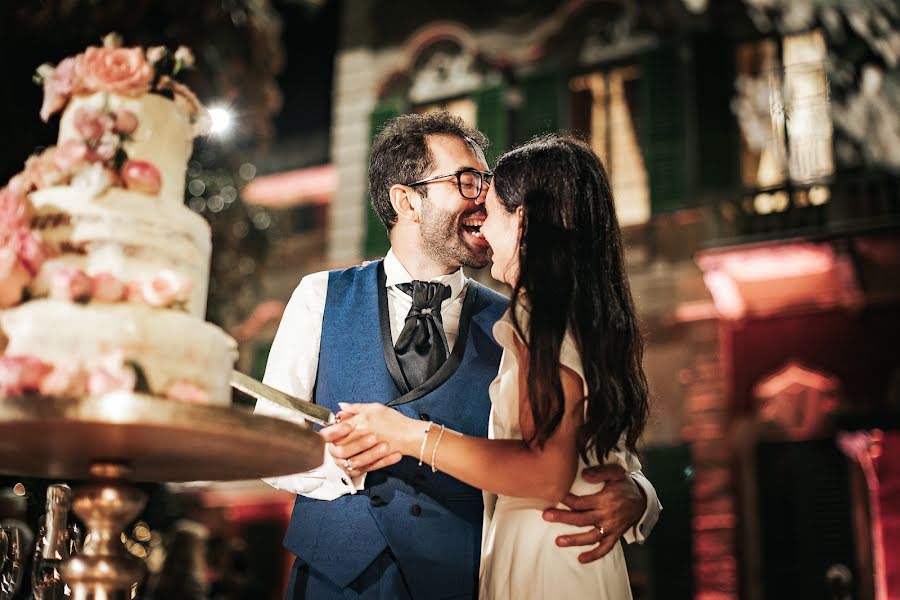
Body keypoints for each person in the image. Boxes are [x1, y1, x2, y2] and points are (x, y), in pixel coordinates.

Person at [256, 113, 661, 599]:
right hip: (338, 582)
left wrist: (639, 496)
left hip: (467, 581)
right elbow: (269, 439)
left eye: (487, 182)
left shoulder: (518, 317)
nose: (483, 198)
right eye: (467, 181)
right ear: (406, 199)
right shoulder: (319, 296)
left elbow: (591, 445)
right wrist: (336, 460)